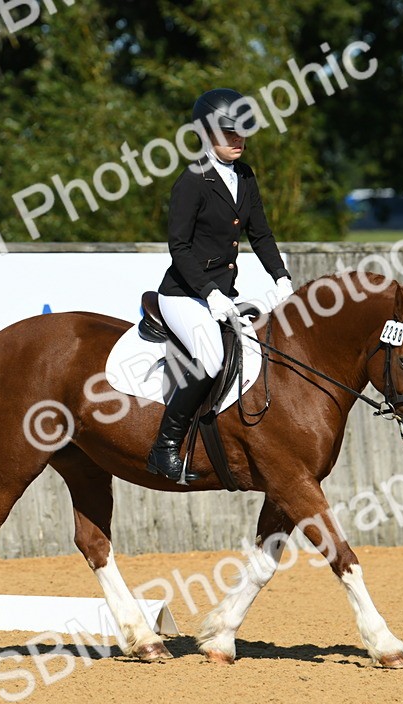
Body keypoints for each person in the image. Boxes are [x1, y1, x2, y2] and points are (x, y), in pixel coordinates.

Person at [146, 88, 296, 482]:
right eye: (231, 133)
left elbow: (260, 235)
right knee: (211, 359)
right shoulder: (192, 180)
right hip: (184, 294)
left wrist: (281, 277)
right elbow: (178, 246)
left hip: (223, 296)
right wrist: (208, 291)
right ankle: (164, 447)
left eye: (243, 132)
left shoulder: (245, 177)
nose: (239, 139)